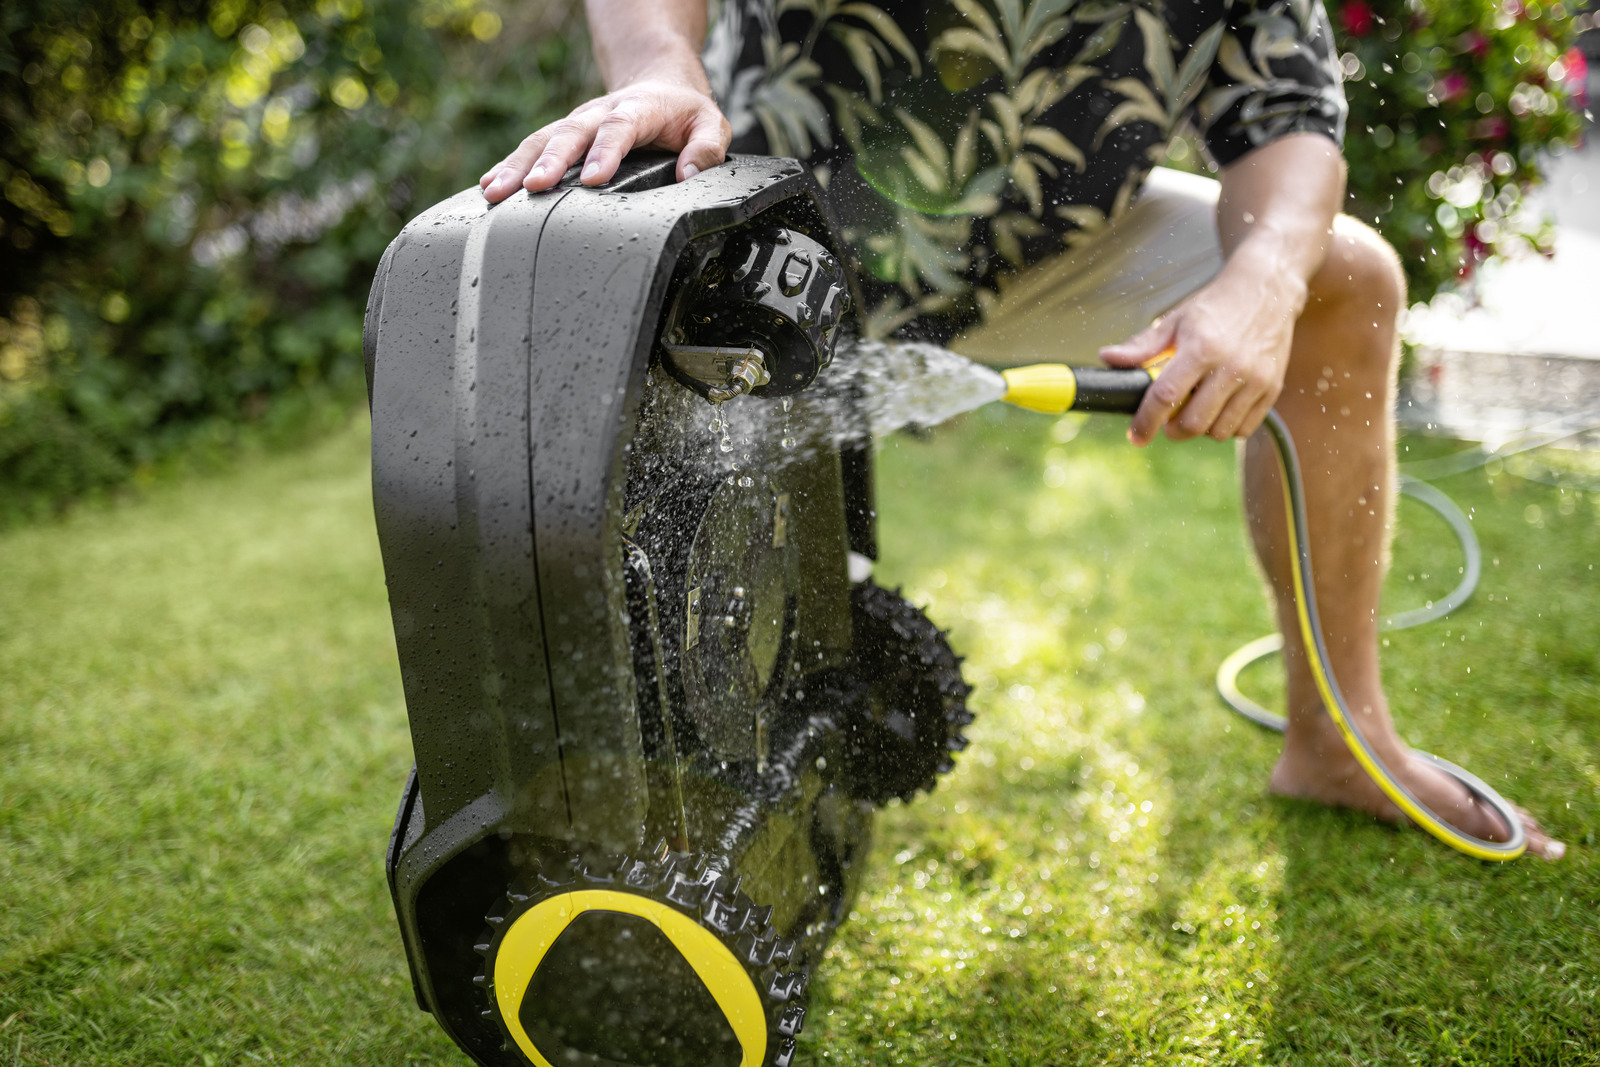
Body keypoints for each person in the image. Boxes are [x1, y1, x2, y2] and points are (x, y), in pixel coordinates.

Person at [480, 0, 1562, 859]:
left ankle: (1338, 736)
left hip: (1063, 242)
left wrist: (1264, 280)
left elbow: (1284, 111)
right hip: (783, 224)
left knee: (1346, 279)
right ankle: (628, 771)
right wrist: (660, 67)